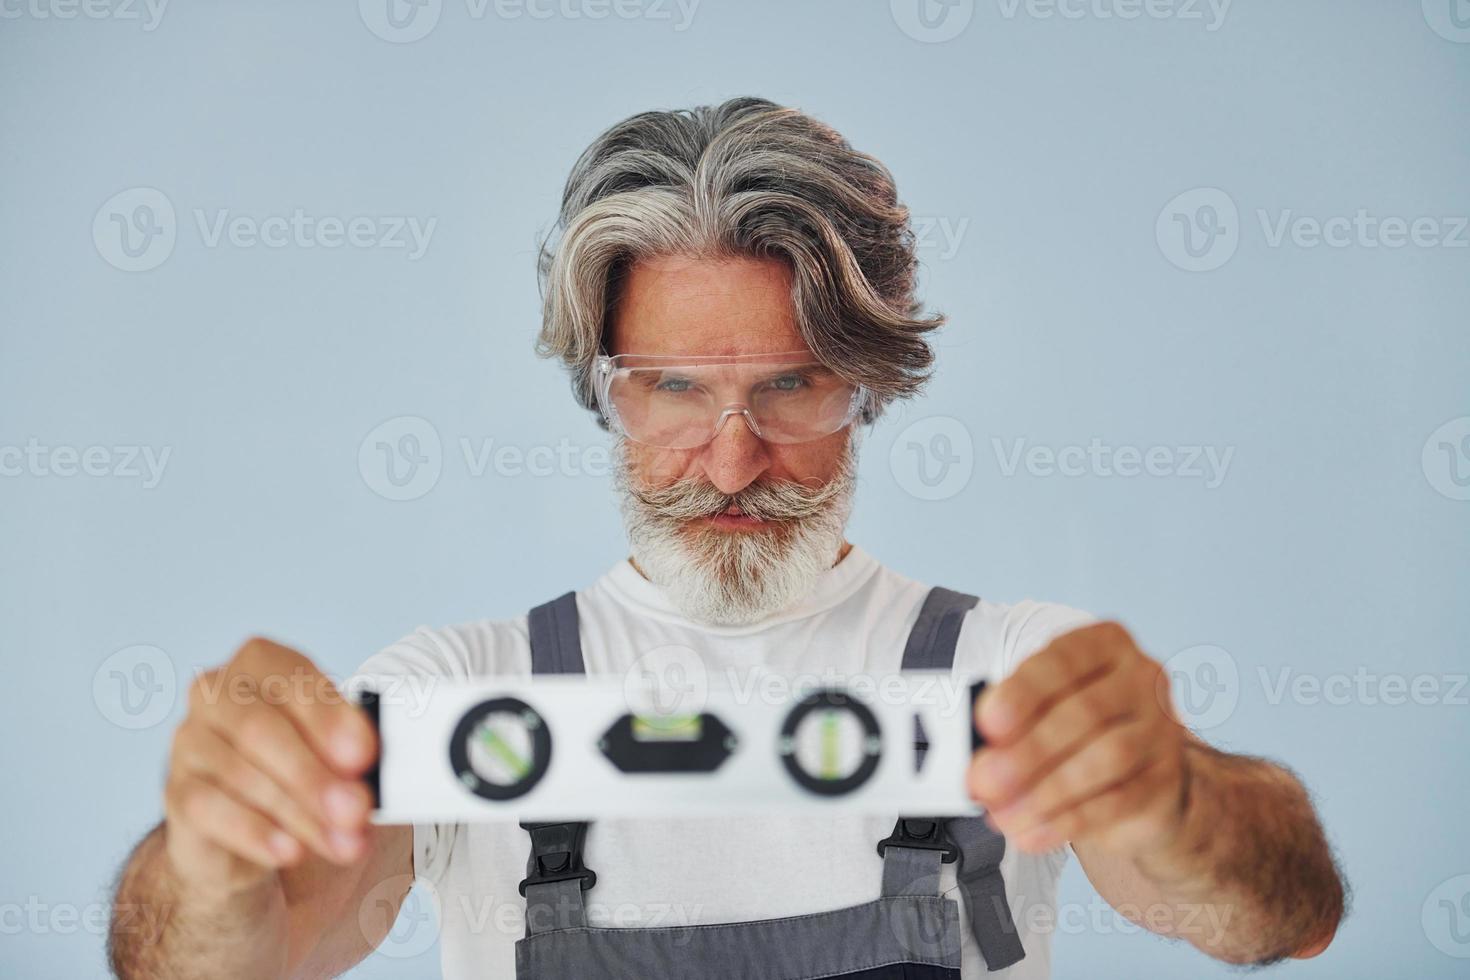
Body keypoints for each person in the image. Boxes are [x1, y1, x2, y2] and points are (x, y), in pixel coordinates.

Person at [107, 97, 1345, 979]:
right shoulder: (463, 696)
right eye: (675, 388)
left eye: (794, 387)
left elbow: (1275, 917)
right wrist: (214, 854)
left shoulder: (1012, 674)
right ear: (604, 388)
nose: (735, 455)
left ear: (871, 387)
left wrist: (1179, 796)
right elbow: (229, 959)